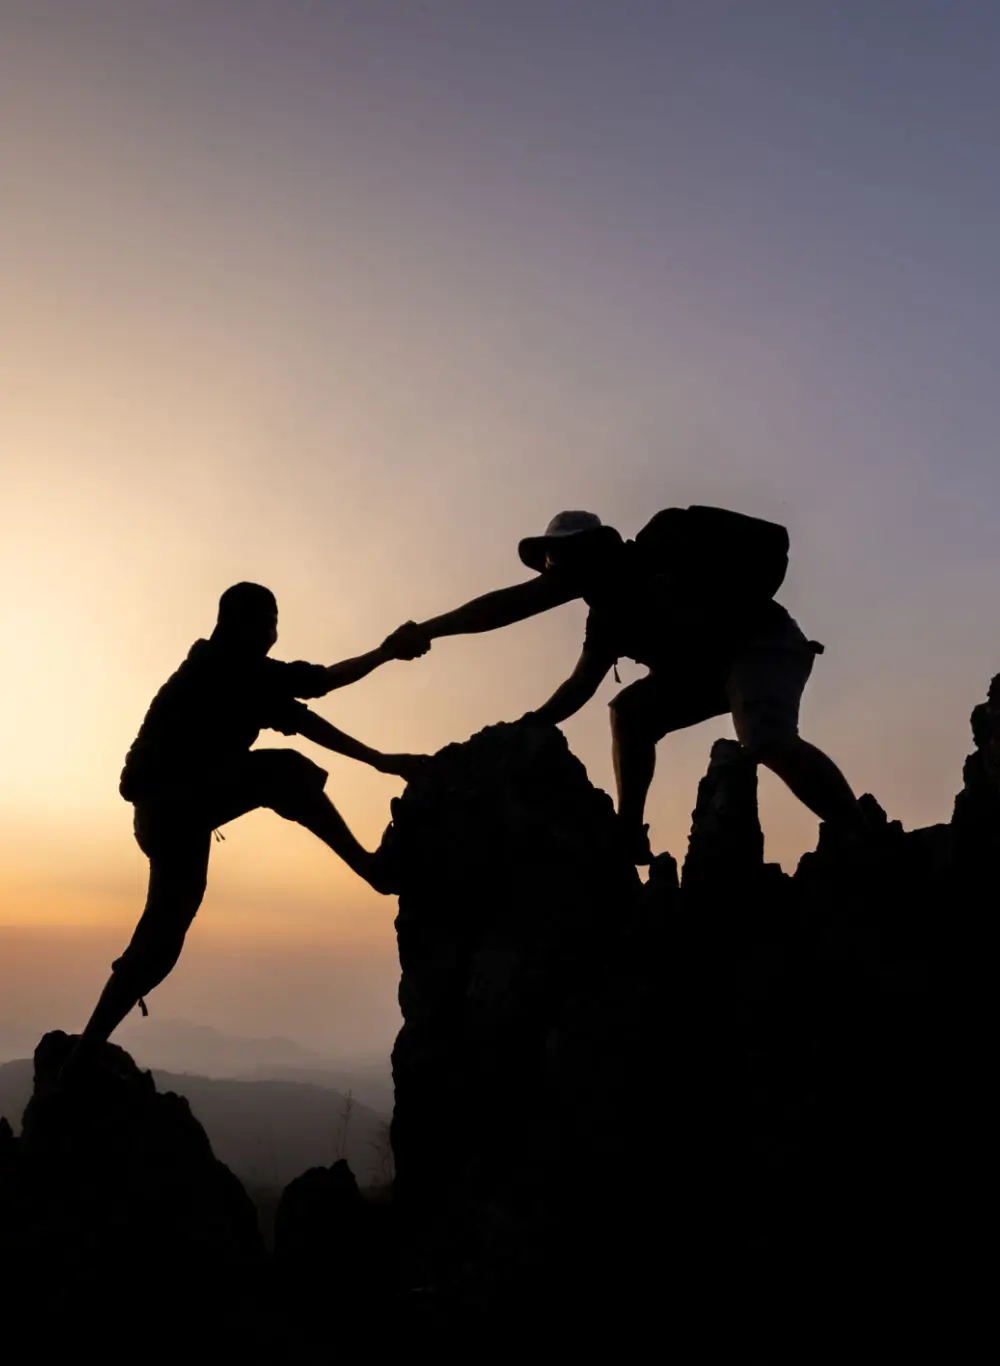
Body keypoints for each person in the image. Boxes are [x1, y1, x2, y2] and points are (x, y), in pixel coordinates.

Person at [63, 582, 427, 1079]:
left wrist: (380, 761)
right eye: (269, 620)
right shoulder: (227, 668)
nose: (275, 633)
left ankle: (86, 1050)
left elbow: (304, 716)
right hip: (176, 804)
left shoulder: (233, 674)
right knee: (284, 772)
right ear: (238, 622)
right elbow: (320, 683)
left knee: (162, 941)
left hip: (167, 815)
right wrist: (386, 655)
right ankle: (373, 869)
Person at [390, 507, 867, 864]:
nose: (553, 571)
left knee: (765, 737)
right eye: (550, 561)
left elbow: (512, 604)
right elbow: (580, 684)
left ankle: (858, 831)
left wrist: (427, 630)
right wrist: (534, 723)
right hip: (704, 676)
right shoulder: (605, 622)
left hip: (762, 644)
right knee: (630, 711)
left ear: (591, 548)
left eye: (558, 556)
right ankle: (628, 832)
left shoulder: (661, 544)